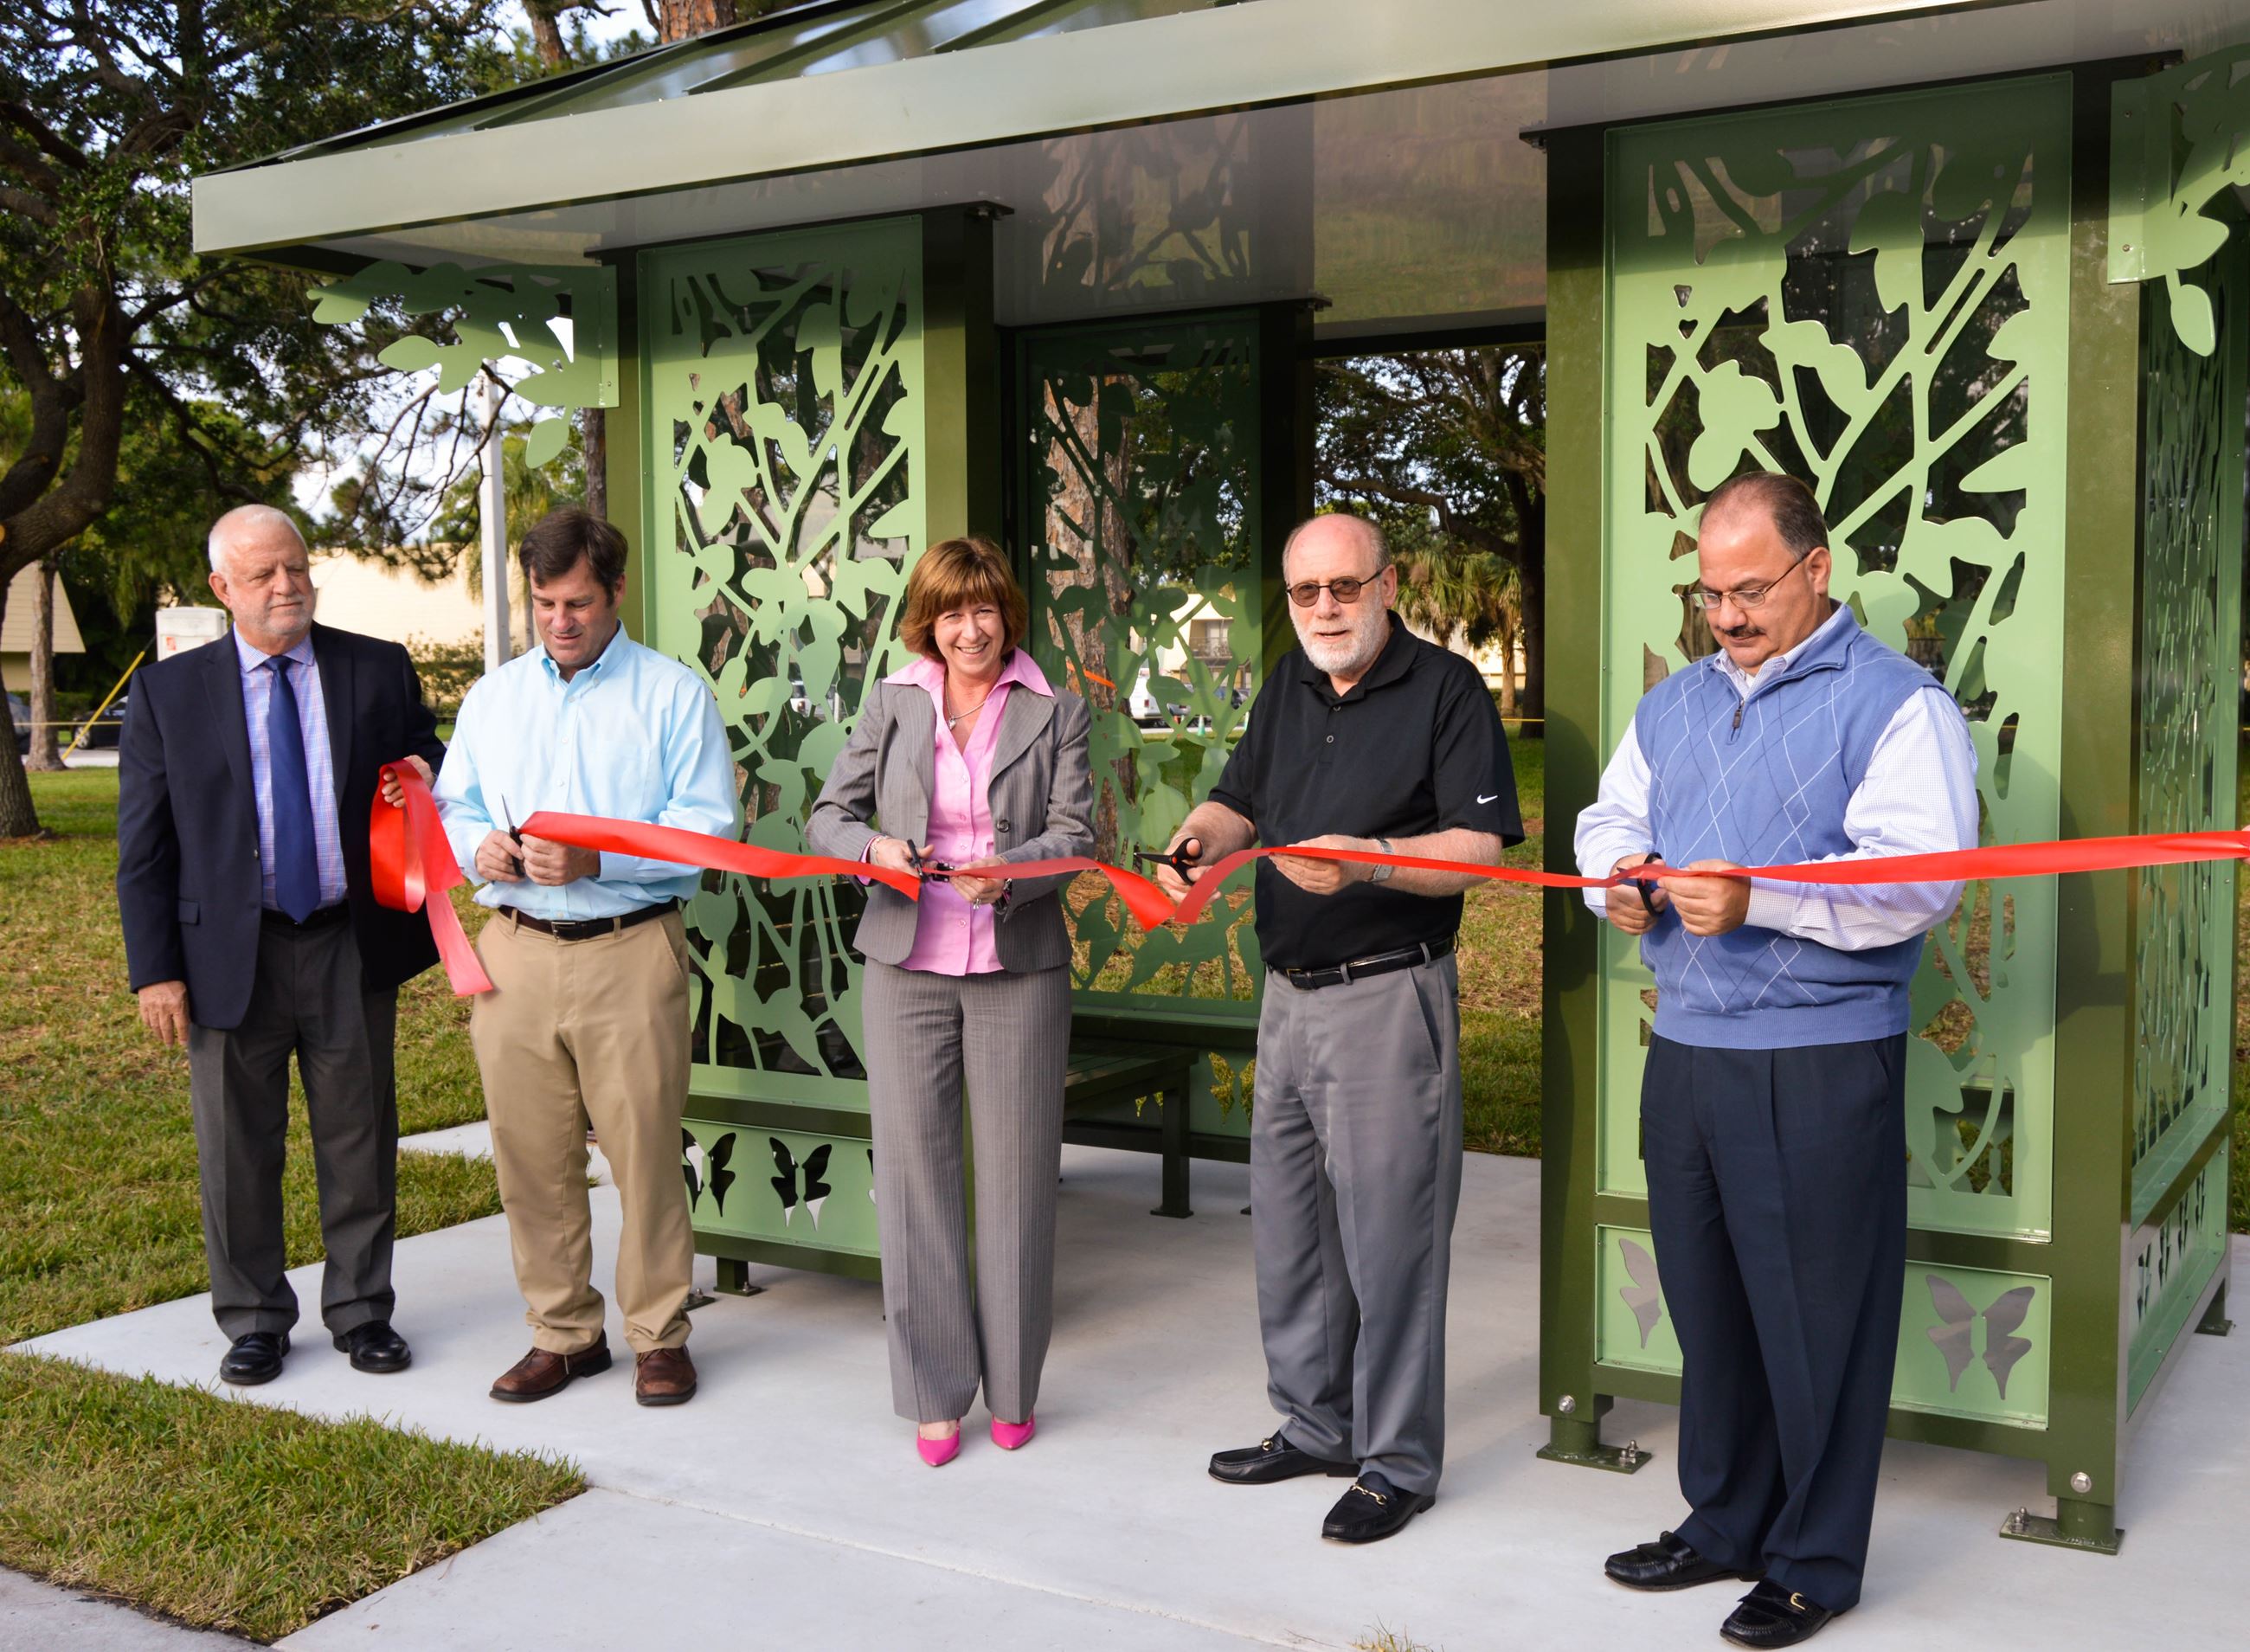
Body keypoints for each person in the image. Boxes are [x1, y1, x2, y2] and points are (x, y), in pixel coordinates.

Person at [1574, 472, 1977, 1649]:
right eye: (1710, 593)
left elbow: (1921, 876)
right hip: (1687, 1048)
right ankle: (1726, 1522)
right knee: (1711, 1309)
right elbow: (1609, 815)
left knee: (1818, 1322)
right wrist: (1622, 870)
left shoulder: (1900, 706)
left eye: (1751, 589)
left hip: (1821, 1058)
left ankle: (1815, 1558)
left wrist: (1763, 899)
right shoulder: (1677, 702)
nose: (1728, 615)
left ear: (1818, 568)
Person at [1154, 512, 1520, 1543]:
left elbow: (1479, 850)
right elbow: (1237, 802)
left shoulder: (1446, 690)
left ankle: (1397, 1460)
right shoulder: (1286, 682)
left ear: (1385, 583)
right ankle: (1315, 1424)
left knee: (1391, 1242)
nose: (1323, 608)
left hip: (1385, 994)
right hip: (1287, 995)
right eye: (1305, 591)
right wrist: (1196, 840)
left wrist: (1363, 856)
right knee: (1290, 1232)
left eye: (1343, 587)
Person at [118, 505, 445, 1386]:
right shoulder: (167, 694)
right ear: (222, 589)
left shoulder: (374, 669)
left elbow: (424, 767)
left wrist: (425, 775)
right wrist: (155, 970)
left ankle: (361, 1310)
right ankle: (255, 1316)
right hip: (229, 954)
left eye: (295, 567)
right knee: (236, 1147)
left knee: (359, 1135)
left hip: (347, 940)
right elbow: (143, 849)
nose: (286, 585)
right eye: (262, 575)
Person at [432, 508, 736, 1408]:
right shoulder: (493, 698)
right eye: (543, 603)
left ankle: (658, 1336)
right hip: (515, 952)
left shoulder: (672, 695)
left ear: (614, 593)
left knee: (643, 1153)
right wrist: (476, 846)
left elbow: (709, 833)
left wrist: (604, 857)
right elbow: (454, 804)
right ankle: (563, 1334)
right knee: (530, 1156)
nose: (558, 619)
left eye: (576, 602)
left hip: (628, 948)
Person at [806, 536, 1093, 1467]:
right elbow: (825, 817)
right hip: (904, 963)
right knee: (915, 1182)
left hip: (1017, 962)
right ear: (926, 621)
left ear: (1007, 613)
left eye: (984, 610)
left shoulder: (1056, 709)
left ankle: (1012, 1389)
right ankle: (933, 1392)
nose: (969, 630)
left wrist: (1005, 875)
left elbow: (1075, 833)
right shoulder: (894, 700)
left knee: (1015, 1186)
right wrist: (872, 850)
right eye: (949, 612)